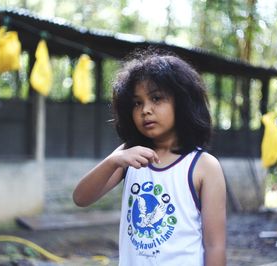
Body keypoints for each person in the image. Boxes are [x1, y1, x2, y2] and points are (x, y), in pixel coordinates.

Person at [73, 49, 226, 266]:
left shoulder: (204, 166)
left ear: (182, 102)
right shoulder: (128, 156)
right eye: (137, 103)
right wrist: (113, 161)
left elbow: (215, 245)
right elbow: (81, 198)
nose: (146, 110)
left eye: (156, 98)